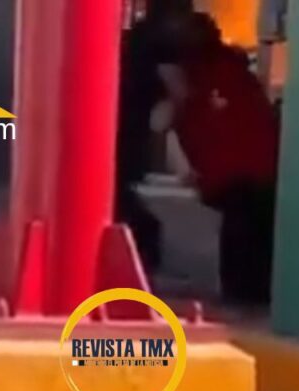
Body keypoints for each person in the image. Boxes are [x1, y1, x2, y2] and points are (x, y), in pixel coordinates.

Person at [170, 15, 280, 307]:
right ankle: (256, 293)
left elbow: (197, 130)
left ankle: (240, 294)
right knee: (258, 232)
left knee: (239, 232)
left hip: (233, 174)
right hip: (263, 167)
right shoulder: (237, 75)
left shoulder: (196, 79)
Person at [117, 0, 200, 274]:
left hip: (122, 120)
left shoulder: (138, 38)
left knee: (119, 191)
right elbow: (178, 89)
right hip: (131, 127)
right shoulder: (161, 43)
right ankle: (141, 255)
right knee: (122, 197)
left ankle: (140, 252)